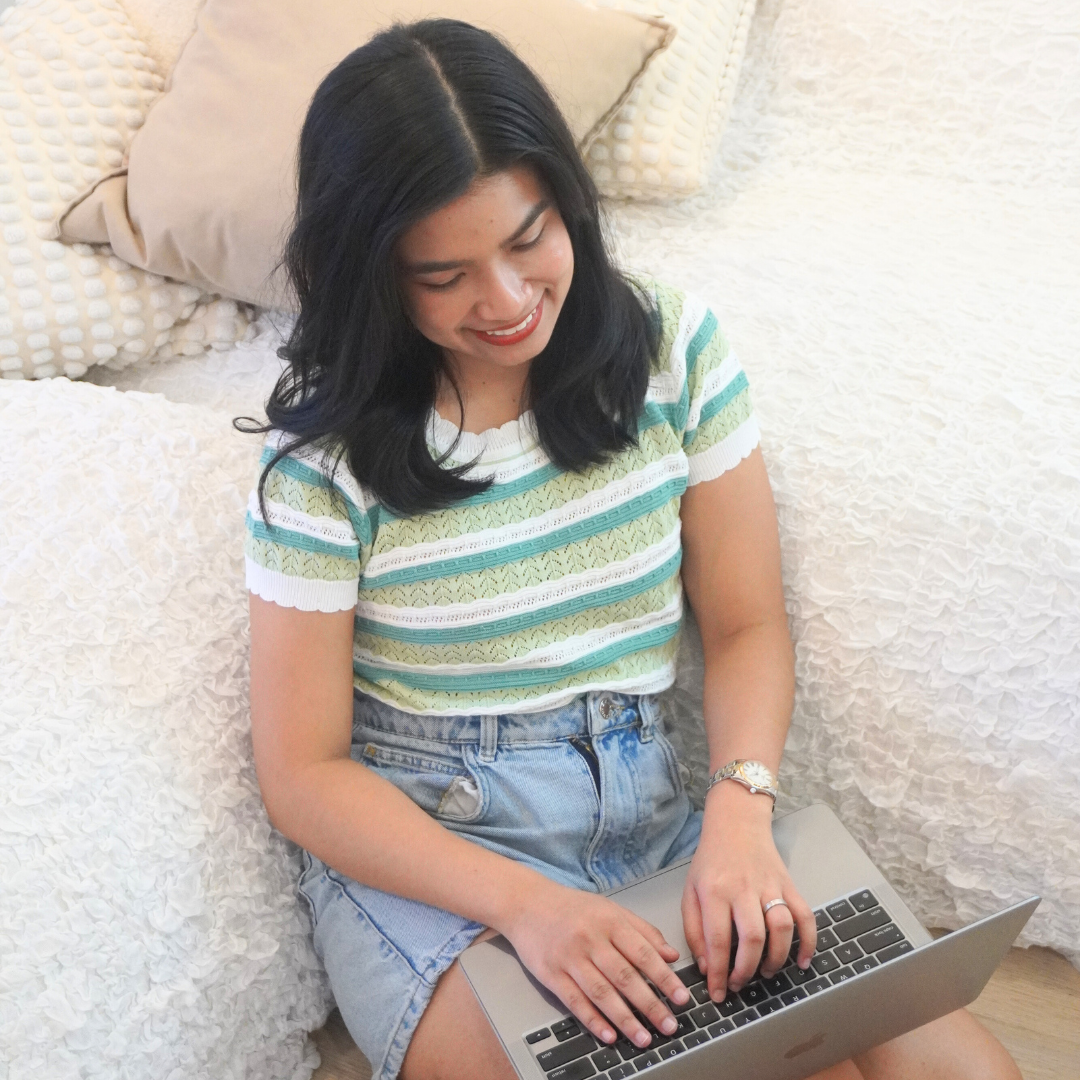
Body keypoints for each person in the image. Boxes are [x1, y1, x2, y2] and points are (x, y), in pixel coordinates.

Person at [242, 18, 1022, 1080]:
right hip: (437, 855)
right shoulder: (323, 475)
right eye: (445, 276)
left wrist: (740, 812)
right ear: (370, 274)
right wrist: (530, 907)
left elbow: (745, 622)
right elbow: (303, 773)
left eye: (529, 240)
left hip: (650, 807)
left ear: (568, 198)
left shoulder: (674, 353)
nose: (508, 302)